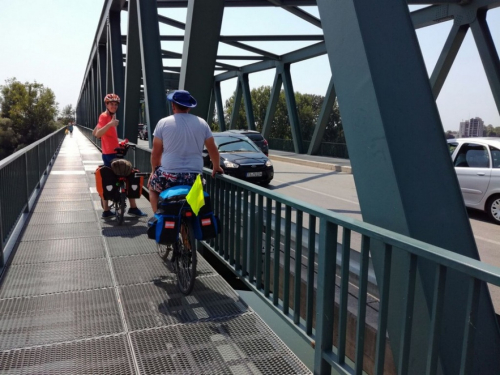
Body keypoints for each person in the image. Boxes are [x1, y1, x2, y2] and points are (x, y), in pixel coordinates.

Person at [148, 90, 223, 212]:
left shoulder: (163, 123)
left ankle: (158, 216)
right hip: (193, 176)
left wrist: (153, 171)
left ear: (173, 105)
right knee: (195, 204)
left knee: (152, 187)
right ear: (189, 107)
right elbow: (212, 149)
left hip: (168, 175)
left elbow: (155, 153)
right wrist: (216, 166)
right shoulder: (202, 123)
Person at [93, 93, 146, 219]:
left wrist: (119, 143)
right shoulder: (105, 116)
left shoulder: (107, 116)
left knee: (108, 177)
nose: (114, 106)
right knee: (130, 175)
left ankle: (107, 210)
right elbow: (98, 135)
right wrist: (109, 125)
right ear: (106, 104)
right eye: (111, 104)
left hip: (114, 152)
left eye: (116, 104)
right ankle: (133, 208)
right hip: (109, 154)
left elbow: (94, 131)